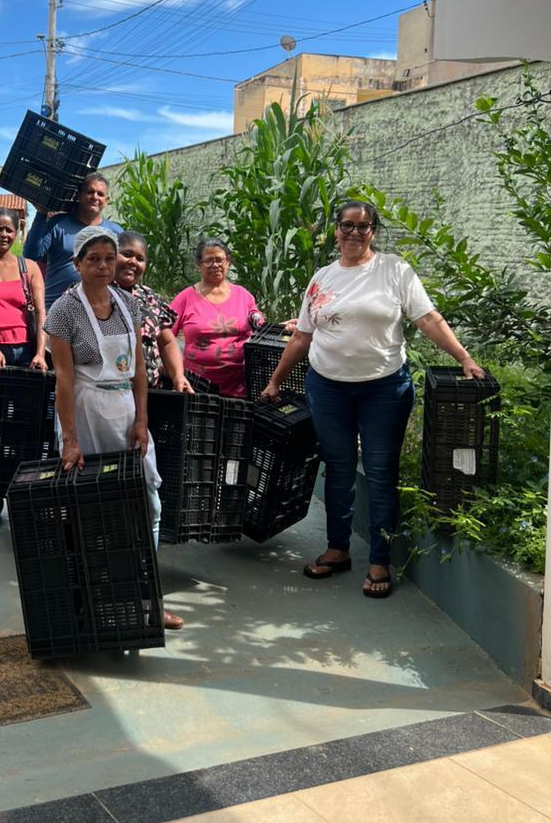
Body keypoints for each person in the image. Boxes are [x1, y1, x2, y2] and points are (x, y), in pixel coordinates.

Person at [261, 200, 484, 599]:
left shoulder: (394, 270)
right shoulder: (322, 278)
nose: (354, 233)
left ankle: (380, 558)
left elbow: (428, 318)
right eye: (347, 225)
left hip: (383, 389)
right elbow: (302, 336)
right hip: (328, 388)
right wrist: (276, 380)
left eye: (363, 227)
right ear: (336, 231)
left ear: (374, 232)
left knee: (381, 473)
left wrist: (463, 357)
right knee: (339, 469)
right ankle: (337, 548)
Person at [45, 226, 183, 631]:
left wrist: (141, 420)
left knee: (147, 502)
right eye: (94, 259)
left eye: (110, 258)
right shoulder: (63, 311)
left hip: (124, 409)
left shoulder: (127, 303)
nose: (104, 266)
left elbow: (138, 368)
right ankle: (96, 599)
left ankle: (148, 596)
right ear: (77, 265)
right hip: (85, 412)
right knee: (91, 508)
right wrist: (70, 440)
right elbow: (64, 382)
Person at [0, 207, 47, 531]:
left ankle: (22, 499)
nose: (4, 234)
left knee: (26, 430)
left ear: (17, 233)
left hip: (25, 356)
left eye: (10, 229)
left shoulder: (27, 268)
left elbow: (43, 315)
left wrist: (40, 353)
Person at [170, 239, 263, 397]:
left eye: (219, 259)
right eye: (208, 261)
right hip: (197, 387)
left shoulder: (244, 296)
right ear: (198, 265)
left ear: (228, 262)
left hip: (240, 386)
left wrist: (281, 327)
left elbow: (259, 325)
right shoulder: (185, 298)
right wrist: (174, 373)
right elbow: (165, 336)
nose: (215, 265)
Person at [23, 173, 123, 308]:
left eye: (100, 194)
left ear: (107, 200)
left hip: (97, 313)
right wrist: (41, 213)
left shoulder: (116, 232)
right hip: (56, 310)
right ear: (79, 196)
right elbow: (31, 255)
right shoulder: (58, 224)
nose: (95, 197)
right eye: (90, 192)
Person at [113, 231, 193, 393]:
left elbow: (167, 342)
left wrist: (178, 375)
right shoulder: (94, 291)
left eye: (140, 259)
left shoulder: (150, 298)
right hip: (102, 392)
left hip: (147, 393)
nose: (133, 262)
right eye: (127, 254)